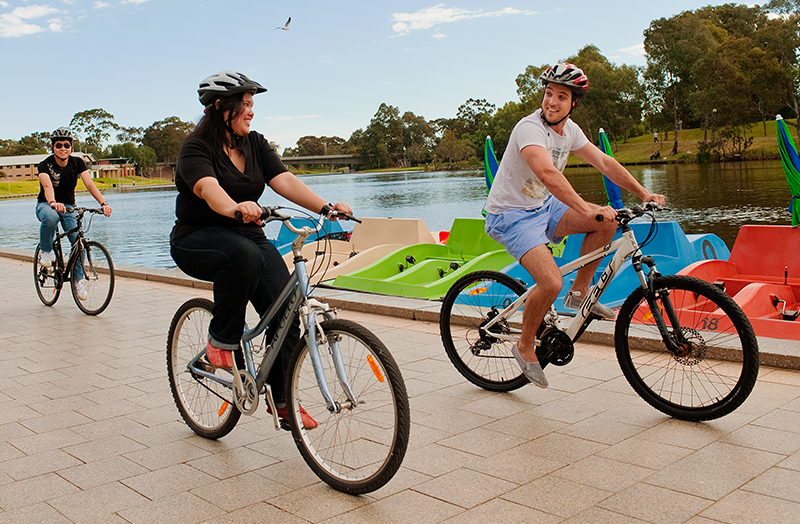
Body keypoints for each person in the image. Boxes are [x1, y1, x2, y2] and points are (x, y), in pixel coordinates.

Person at [169, 70, 352, 430]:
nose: (252, 112)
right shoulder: (195, 148)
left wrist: (324, 208)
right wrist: (236, 207)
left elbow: (283, 180)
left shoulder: (254, 143)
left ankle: (282, 401)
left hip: (245, 235)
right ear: (222, 107)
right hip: (197, 237)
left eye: (253, 105)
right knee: (244, 255)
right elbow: (208, 189)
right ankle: (220, 342)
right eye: (246, 105)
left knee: (287, 307)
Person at [483, 63, 665, 388]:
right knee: (550, 282)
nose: (552, 102)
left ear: (573, 103)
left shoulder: (571, 131)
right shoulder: (529, 129)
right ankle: (525, 346)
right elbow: (547, 173)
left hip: (544, 206)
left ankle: (579, 294)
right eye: (549, 94)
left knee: (607, 222)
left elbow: (605, 163)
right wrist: (584, 208)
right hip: (511, 214)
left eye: (561, 97)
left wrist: (643, 192)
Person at [36, 127, 112, 300]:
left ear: (71, 147)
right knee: (51, 217)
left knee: (79, 243)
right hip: (46, 204)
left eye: (67, 145)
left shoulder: (77, 163)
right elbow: (47, 187)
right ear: (52, 147)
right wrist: (53, 203)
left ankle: (77, 282)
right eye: (59, 145)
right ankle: (45, 252)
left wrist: (103, 203)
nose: (63, 148)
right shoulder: (44, 165)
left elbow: (89, 184)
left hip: (69, 206)